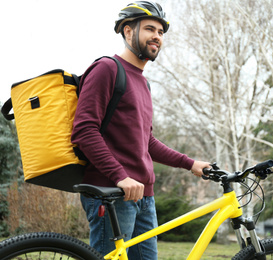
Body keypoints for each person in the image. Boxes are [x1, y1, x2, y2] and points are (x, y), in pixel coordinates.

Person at [71, 1, 210, 259]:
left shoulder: (143, 83)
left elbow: (147, 142)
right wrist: (120, 176)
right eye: (149, 29)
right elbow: (84, 130)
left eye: (160, 32)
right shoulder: (107, 69)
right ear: (127, 31)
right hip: (112, 193)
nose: (157, 36)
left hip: (144, 197)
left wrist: (190, 163)